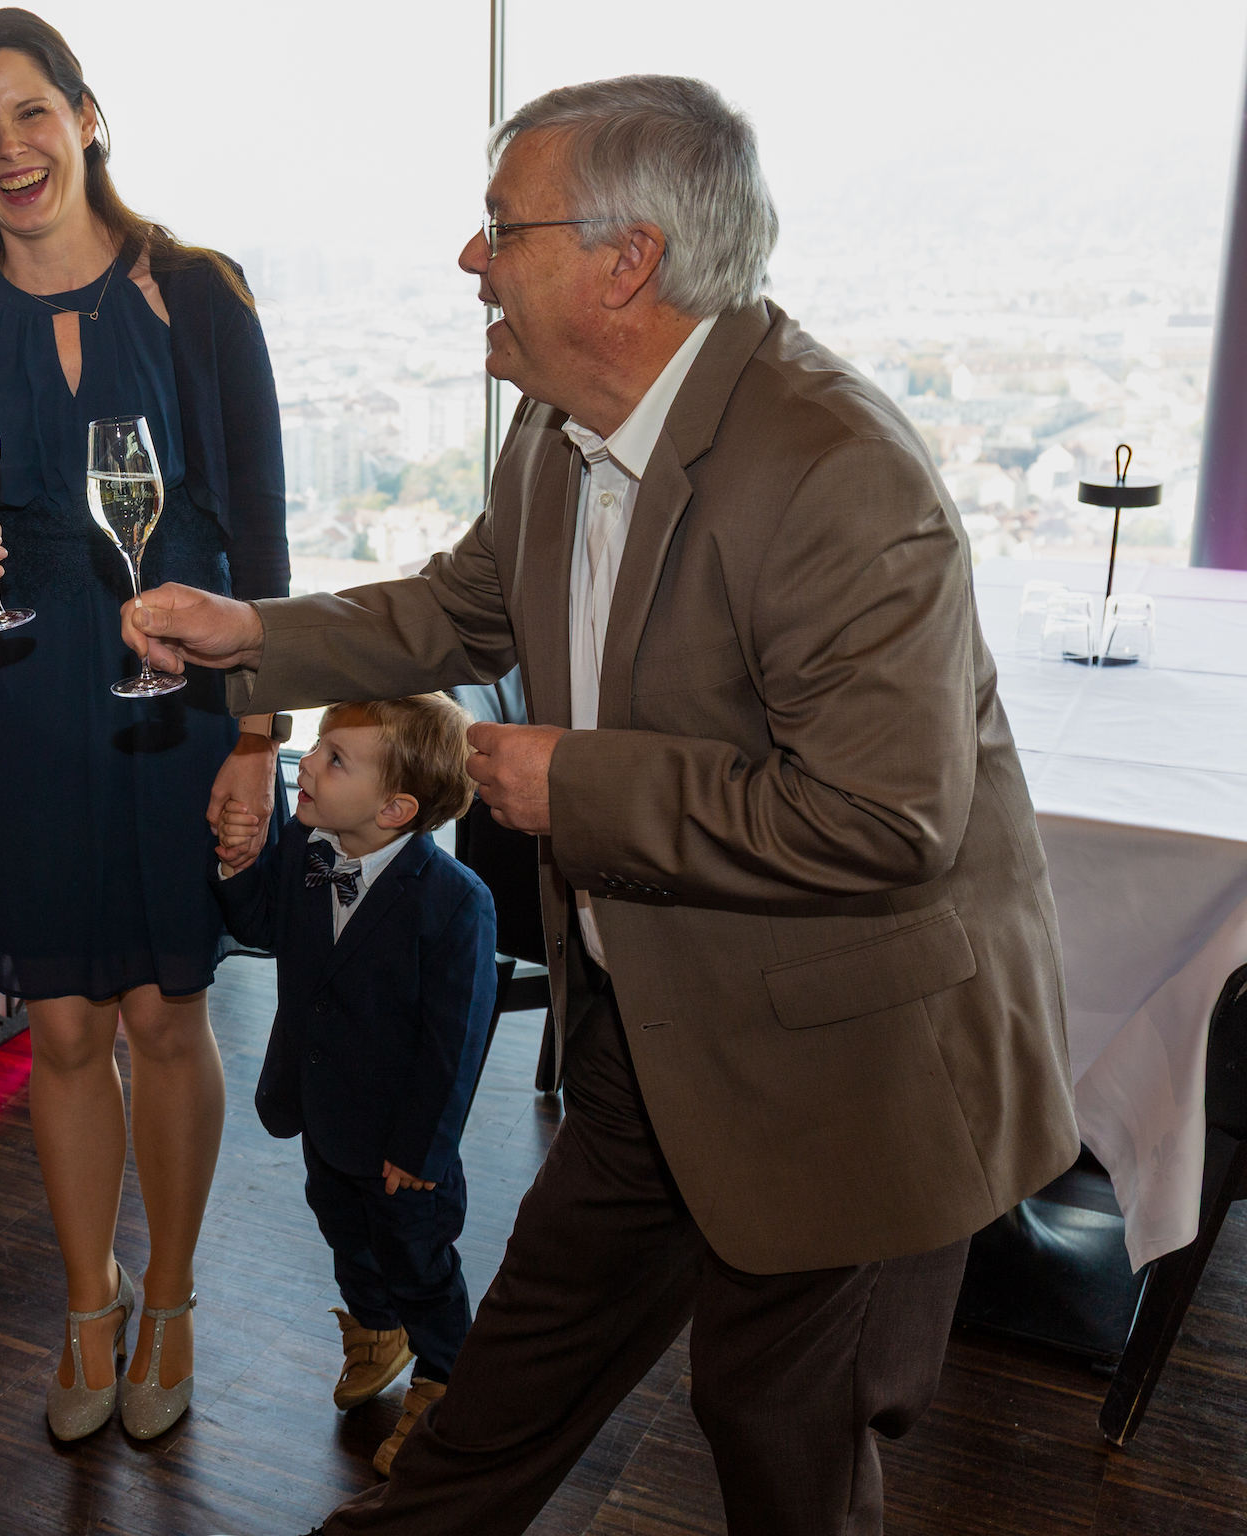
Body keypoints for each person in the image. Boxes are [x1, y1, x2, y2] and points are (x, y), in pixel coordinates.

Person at [130, 75, 1077, 1536]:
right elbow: (458, 608)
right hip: (654, 1029)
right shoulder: (560, 431)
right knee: (503, 1399)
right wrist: (249, 633)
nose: (470, 258)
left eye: (501, 225)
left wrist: (575, 782)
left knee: (777, 1434)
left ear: (627, 262)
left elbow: (887, 819)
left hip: (843, 1063)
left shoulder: (836, 471)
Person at [0, 7, 290, 1444]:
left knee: (166, 1013)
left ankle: (169, 1296)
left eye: (30, 113)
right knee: (61, 1023)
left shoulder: (198, 295)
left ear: (86, 115)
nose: (7, 148)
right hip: (27, 693)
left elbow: (262, 534)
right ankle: (86, 1304)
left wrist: (257, 740)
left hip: (178, 693)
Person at [211, 695, 496, 1478]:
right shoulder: (308, 851)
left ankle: (444, 1374)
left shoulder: (455, 902)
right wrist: (237, 863)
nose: (307, 763)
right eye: (318, 746)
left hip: (404, 1139)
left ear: (395, 808)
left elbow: (455, 1044)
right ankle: (376, 1327)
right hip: (325, 1112)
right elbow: (261, 925)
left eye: (335, 758)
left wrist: (422, 1149)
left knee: (417, 1259)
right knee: (341, 1227)